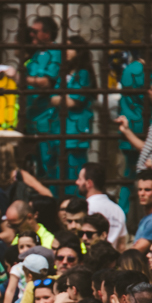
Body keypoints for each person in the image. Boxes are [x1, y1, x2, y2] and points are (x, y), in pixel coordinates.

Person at [115, 38, 152, 212]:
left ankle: (124, 212)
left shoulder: (129, 69)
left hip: (128, 125)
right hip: (143, 128)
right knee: (148, 177)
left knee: (128, 176)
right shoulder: (149, 73)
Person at [21, 17, 63, 188]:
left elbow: (47, 82)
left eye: (35, 31)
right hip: (31, 119)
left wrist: (20, 79)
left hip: (47, 119)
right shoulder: (37, 54)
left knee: (49, 166)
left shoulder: (56, 53)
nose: (31, 34)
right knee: (34, 167)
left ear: (47, 33)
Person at [55, 37, 95, 193]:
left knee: (75, 175)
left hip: (76, 130)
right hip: (62, 129)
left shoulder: (83, 74)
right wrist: (63, 98)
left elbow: (74, 101)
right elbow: (53, 98)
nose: (65, 51)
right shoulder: (64, 72)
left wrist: (61, 98)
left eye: (70, 48)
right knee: (60, 174)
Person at [75, 163, 124, 247]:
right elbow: (122, 245)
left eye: (80, 179)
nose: (77, 182)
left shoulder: (86, 208)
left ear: (89, 183)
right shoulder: (118, 210)